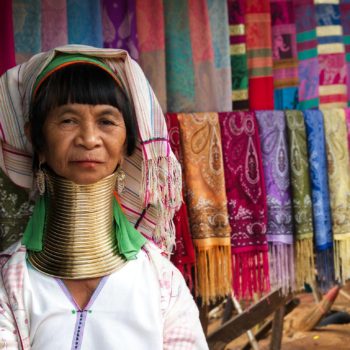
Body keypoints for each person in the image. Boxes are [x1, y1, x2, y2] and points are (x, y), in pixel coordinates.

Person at [0, 45, 208, 349]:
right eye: (68, 120)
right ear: (37, 139)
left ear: (127, 145)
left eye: (106, 121)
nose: (89, 138)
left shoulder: (160, 281)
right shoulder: (12, 281)